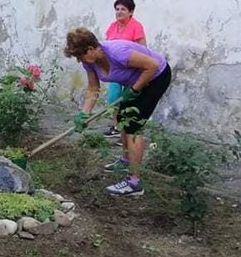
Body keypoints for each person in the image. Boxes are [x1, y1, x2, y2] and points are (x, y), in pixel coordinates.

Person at [64, 27, 171, 197]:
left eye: (80, 56)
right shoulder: (89, 61)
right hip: (137, 82)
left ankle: (134, 183)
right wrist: (85, 114)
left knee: (133, 126)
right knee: (122, 117)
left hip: (156, 77)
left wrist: (134, 89)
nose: (79, 60)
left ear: (91, 49)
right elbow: (93, 88)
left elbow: (152, 65)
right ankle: (126, 160)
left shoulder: (118, 52)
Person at [103, 0, 146, 137]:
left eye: (123, 9)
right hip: (115, 68)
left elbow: (143, 48)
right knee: (113, 97)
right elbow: (107, 46)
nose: (119, 12)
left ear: (131, 12)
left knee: (127, 98)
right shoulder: (112, 26)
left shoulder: (136, 26)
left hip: (131, 69)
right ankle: (116, 126)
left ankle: (127, 129)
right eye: (117, 9)